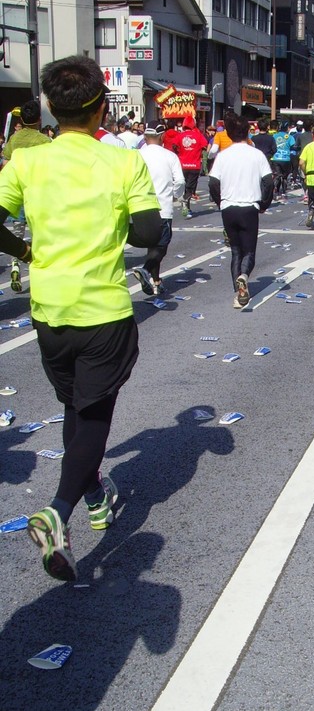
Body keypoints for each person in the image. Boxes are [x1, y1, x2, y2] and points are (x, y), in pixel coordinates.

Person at [0, 54, 162, 583]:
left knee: (74, 405)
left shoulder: (26, 162)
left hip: (48, 310)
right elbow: (145, 234)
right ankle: (58, 510)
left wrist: (26, 255)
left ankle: (95, 496)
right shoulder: (122, 163)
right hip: (103, 310)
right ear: (101, 109)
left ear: (49, 106)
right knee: (93, 417)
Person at [208, 113, 274, 308]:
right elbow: (269, 181)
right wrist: (264, 204)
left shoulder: (223, 155)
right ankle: (244, 276)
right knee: (249, 252)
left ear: (228, 133)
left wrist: (221, 201)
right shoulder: (256, 154)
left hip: (228, 208)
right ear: (248, 132)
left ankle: (239, 293)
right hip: (249, 208)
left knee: (235, 251)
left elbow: (212, 182)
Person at [1, 99, 52, 293]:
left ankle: (15, 264)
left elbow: (5, 164)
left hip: (13, 193)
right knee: (39, 236)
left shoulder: (13, 140)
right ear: (39, 120)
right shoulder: (44, 141)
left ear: (21, 119)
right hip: (37, 194)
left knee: (16, 234)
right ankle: (40, 277)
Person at [133, 122, 185, 294]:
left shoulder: (135, 155)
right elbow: (180, 182)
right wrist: (177, 195)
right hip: (162, 207)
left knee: (152, 245)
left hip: (138, 208)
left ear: (145, 136)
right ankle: (146, 269)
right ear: (162, 136)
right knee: (161, 245)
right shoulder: (170, 156)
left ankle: (156, 281)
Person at [175, 114, 208, 217]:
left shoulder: (180, 135)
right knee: (190, 188)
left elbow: (174, 146)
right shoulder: (198, 135)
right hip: (194, 165)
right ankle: (186, 203)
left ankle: (187, 207)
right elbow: (205, 146)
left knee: (185, 187)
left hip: (182, 165)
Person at [271, 123, 296, 200]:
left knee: (277, 176)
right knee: (284, 177)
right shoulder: (290, 137)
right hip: (286, 159)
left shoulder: (274, 136)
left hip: (276, 158)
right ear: (287, 128)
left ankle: (276, 191)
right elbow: (293, 146)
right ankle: (283, 193)